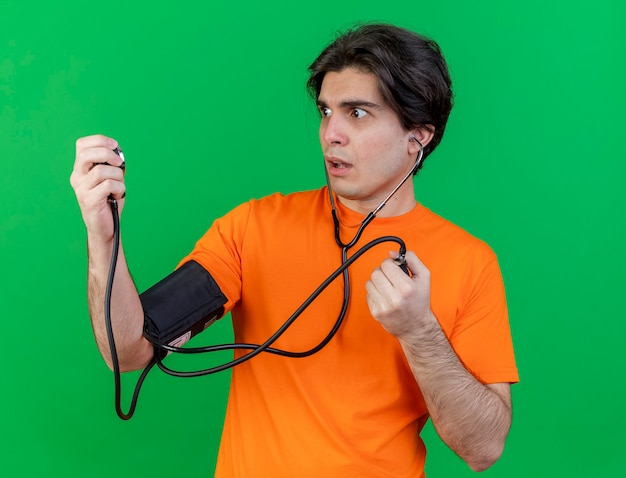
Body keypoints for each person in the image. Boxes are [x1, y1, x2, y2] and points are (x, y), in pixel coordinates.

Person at [70, 23, 518, 477]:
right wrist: (104, 240)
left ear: (417, 137)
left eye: (357, 113)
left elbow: (482, 448)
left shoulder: (469, 262)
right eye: (326, 112)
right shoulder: (254, 228)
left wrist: (419, 331)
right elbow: (129, 352)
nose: (330, 134)